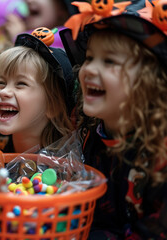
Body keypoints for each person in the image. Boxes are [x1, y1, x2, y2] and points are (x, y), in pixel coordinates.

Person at [61, 0, 167, 238]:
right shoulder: (89, 134)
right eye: (89, 58)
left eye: (109, 62)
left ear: (148, 82)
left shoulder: (160, 152)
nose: (89, 69)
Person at [0, 27, 76, 153]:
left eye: (21, 84)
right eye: (1, 83)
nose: (4, 92)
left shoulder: (66, 166)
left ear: (53, 106)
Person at [3, 0, 81, 48]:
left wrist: (17, 38)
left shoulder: (64, 38)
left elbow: (32, 59)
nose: (28, 1)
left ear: (63, 9)